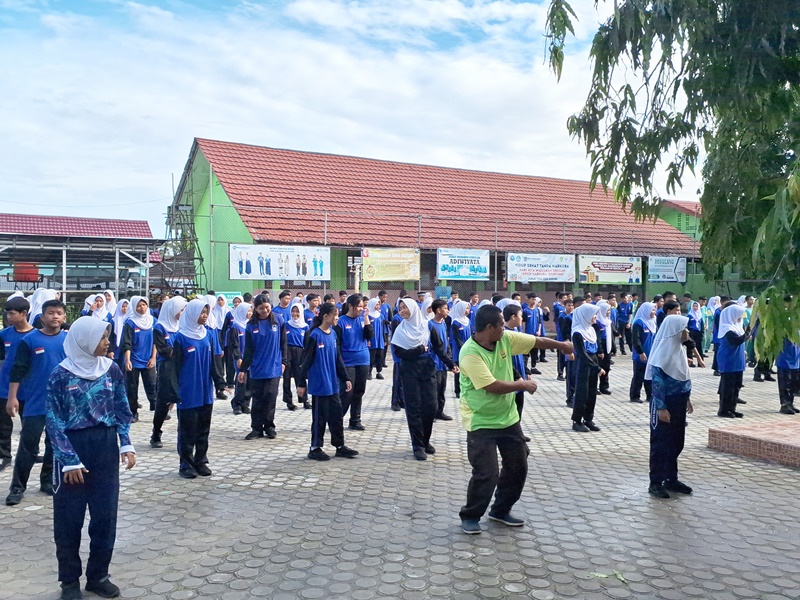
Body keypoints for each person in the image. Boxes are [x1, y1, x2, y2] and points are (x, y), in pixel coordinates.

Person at [458, 304, 572, 534]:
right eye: (501, 324)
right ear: (489, 327)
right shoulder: (470, 353)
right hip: (480, 420)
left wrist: (562, 346)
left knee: (518, 466)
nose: (505, 328)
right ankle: (470, 515)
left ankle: (500, 510)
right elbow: (491, 386)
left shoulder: (504, 339)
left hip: (508, 419)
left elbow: (535, 341)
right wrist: (522, 384)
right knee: (486, 473)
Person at [45, 317, 135, 600]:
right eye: (102, 336)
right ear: (84, 339)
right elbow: (53, 420)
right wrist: (69, 460)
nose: (108, 341)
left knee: (105, 515)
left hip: (105, 447)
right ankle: (69, 581)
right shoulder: (60, 374)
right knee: (69, 518)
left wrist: (126, 444)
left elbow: (123, 408)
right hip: (72, 449)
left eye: (108, 335)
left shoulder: (112, 369)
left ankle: (99, 576)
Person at [5, 298, 68, 505]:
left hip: (59, 403)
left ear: (64, 317)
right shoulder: (30, 340)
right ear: (42, 316)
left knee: (53, 444)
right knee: (28, 445)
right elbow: (18, 370)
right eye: (51, 313)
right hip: (35, 402)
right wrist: (12, 397)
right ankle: (17, 487)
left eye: (59, 313)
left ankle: (47, 480)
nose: (55, 316)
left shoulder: (67, 340)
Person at [392, 298, 458, 461]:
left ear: (413, 309)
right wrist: (419, 349)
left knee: (431, 406)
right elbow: (400, 354)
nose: (402, 311)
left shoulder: (427, 326)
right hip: (409, 371)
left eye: (405, 307)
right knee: (414, 408)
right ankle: (418, 445)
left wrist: (450, 364)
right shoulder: (401, 330)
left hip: (427, 369)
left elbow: (439, 348)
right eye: (400, 308)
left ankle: (426, 440)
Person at [298, 302, 358, 461]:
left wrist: (345, 378)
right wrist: (301, 383)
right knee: (319, 418)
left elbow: (338, 358)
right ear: (326, 316)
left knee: (336, 416)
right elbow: (307, 360)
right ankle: (315, 448)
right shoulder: (314, 335)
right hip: (319, 385)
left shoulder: (333, 334)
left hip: (333, 384)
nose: (337, 317)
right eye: (335, 315)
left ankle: (339, 446)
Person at [171, 299, 224, 478]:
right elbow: (174, 368)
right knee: (187, 430)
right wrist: (173, 392)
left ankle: (201, 460)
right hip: (188, 392)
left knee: (203, 428)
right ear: (193, 313)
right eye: (202, 312)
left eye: (206, 313)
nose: (205, 316)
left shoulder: (208, 335)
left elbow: (213, 363)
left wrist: (220, 383)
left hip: (205, 392)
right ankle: (185, 463)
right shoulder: (180, 338)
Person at [645, 314, 695, 499]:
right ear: (674, 331)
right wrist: (660, 408)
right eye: (684, 329)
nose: (687, 332)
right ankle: (656, 482)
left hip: (679, 401)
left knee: (676, 441)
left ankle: (671, 479)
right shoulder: (662, 354)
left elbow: (684, 377)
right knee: (661, 443)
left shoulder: (679, 350)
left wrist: (687, 398)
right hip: (664, 404)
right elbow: (657, 385)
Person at [239, 295, 286, 439]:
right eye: (261, 308)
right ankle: (256, 428)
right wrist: (243, 369)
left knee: (270, 397)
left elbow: (283, 343)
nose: (264, 310)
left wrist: (284, 361)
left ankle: (269, 427)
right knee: (258, 398)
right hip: (257, 368)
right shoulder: (251, 325)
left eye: (267, 307)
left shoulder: (279, 321)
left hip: (274, 367)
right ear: (256, 309)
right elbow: (248, 350)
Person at [0, 296, 33, 472]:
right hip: (5, 387)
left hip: (28, 390)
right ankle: (4, 456)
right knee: (3, 425)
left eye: (12, 314)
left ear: (24, 314)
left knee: (29, 425)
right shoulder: (4, 335)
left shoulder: (36, 335)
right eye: (7, 314)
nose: (8, 317)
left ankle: (29, 454)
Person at [150, 296, 187, 449]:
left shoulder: (184, 326)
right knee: (164, 402)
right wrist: (182, 352)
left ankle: (184, 436)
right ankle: (156, 433)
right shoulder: (159, 327)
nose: (183, 313)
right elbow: (164, 350)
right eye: (181, 310)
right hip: (166, 369)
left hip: (182, 367)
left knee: (183, 401)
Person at [119, 295, 157, 422]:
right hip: (134, 360)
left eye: (144, 305)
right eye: (139, 306)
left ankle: (157, 409)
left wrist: (153, 358)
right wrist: (128, 360)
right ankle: (133, 412)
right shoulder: (130, 323)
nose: (142, 308)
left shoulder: (153, 321)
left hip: (148, 360)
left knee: (152, 385)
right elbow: (127, 343)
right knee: (132, 388)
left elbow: (156, 342)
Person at [570, 303, 604, 432]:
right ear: (586, 315)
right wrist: (597, 368)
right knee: (582, 392)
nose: (595, 317)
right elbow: (582, 354)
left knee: (591, 392)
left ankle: (588, 418)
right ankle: (577, 420)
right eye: (594, 314)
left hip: (593, 360)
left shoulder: (591, 329)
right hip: (583, 363)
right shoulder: (578, 332)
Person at [502, 303, 531, 442]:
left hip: (520, 374)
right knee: (510, 407)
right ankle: (510, 434)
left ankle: (517, 432)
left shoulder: (517, 332)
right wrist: (518, 376)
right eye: (520, 315)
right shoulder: (503, 334)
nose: (522, 318)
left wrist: (526, 371)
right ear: (513, 317)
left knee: (519, 405)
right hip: (511, 376)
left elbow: (524, 354)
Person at [717, 304, 749, 418]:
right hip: (728, 359)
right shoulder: (727, 328)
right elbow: (735, 341)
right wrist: (746, 335)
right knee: (728, 386)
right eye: (739, 315)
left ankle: (732, 408)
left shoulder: (737, 327)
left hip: (737, 359)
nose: (741, 317)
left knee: (736, 385)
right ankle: (724, 410)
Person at [429, 299, 456, 421]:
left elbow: (446, 342)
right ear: (438, 310)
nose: (447, 310)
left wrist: (450, 359)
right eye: (445, 308)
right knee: (433, 390)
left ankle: (440, 411)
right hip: (434, 362)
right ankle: (432, 413)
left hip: (444, 362)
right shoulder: (430, 324)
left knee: (442, 388)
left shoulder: (443, 323)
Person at [228, 302, 253, 415]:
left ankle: (245, 404)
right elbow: (234, 344)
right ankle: (236, 404)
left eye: (250, 311)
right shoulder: (235, 327)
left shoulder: (250, 325)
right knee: (241, 381)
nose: (249, 313)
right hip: (240, 359)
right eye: (247, 311)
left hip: (250, 359)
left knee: (249, 383)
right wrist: (238, 357)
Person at [283, 303, 310, 410]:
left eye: (297, 311)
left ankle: (304, 400)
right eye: (293, 311)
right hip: (288, 352)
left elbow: (307, 343)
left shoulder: (305, 327)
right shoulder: (286, 325)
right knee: (287, 377)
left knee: (300, 376)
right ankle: (289, 401)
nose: (295, 314)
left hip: (300, 353)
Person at [630, 302, 657, 404]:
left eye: (654, 310)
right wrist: (640, 352)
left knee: (650, 375)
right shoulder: (639, 323)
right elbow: (636, 340)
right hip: (640, 355)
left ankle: (650, 395)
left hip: (651, 354)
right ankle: (634, 396)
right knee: (638, 376)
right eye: (652, 310)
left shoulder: (653, 322)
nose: (654, 312)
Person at [450, 300, 472, 398]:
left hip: (468, 348)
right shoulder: (455, 322)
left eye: (468, 308)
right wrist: (464, 348)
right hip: (459, 349)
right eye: (466, 308)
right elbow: (457, 338)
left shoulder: (467, 320)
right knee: (459, 369)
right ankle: (458, 390)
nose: (467, 310)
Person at [595, 300, 613, 395]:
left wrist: (613, 348)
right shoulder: (597, 322)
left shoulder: (608, 321)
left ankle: (604, 386)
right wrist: (600, 350)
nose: (608, 312)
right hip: (600, 348)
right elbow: (598, 338)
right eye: (607, 310)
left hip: (607, 347)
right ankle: (595, 387)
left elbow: (610, 336)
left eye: (609, 310)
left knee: (606, 367)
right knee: (598, 368)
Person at [367, 298, 385, 380]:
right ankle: (369, 372)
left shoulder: (380, 316)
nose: (377, 306)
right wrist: (368, 339)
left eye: (378, 304)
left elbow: (383, 328)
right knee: (371, 357)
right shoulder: (368, 315)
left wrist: (384, 339)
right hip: (372, 339)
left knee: (380, 356)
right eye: (376, 304)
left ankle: (379, 372)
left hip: (379, 339)